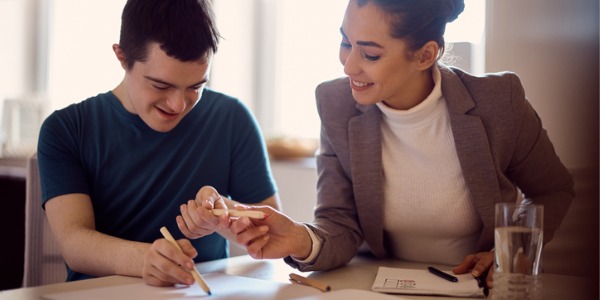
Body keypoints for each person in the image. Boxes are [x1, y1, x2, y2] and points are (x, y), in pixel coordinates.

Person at [230, 0, 574, 290]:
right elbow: (340, 222)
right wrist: (301, 238)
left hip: (475, 289)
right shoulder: (334, 101)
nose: (349, 65)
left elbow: (552, 189)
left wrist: (507, 255)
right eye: (346, 42)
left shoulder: (498, 101)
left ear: (425, 55)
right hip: (374, 286)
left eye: (370, 54)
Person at [37, 0, 280, 287]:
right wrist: (145, 260)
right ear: (122, 56)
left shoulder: (232, 118)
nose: (178, 105)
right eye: (161, 86)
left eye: (196, 87)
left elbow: (269, 228)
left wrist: (224, 216)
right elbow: (74, 243)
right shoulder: (67, 129)